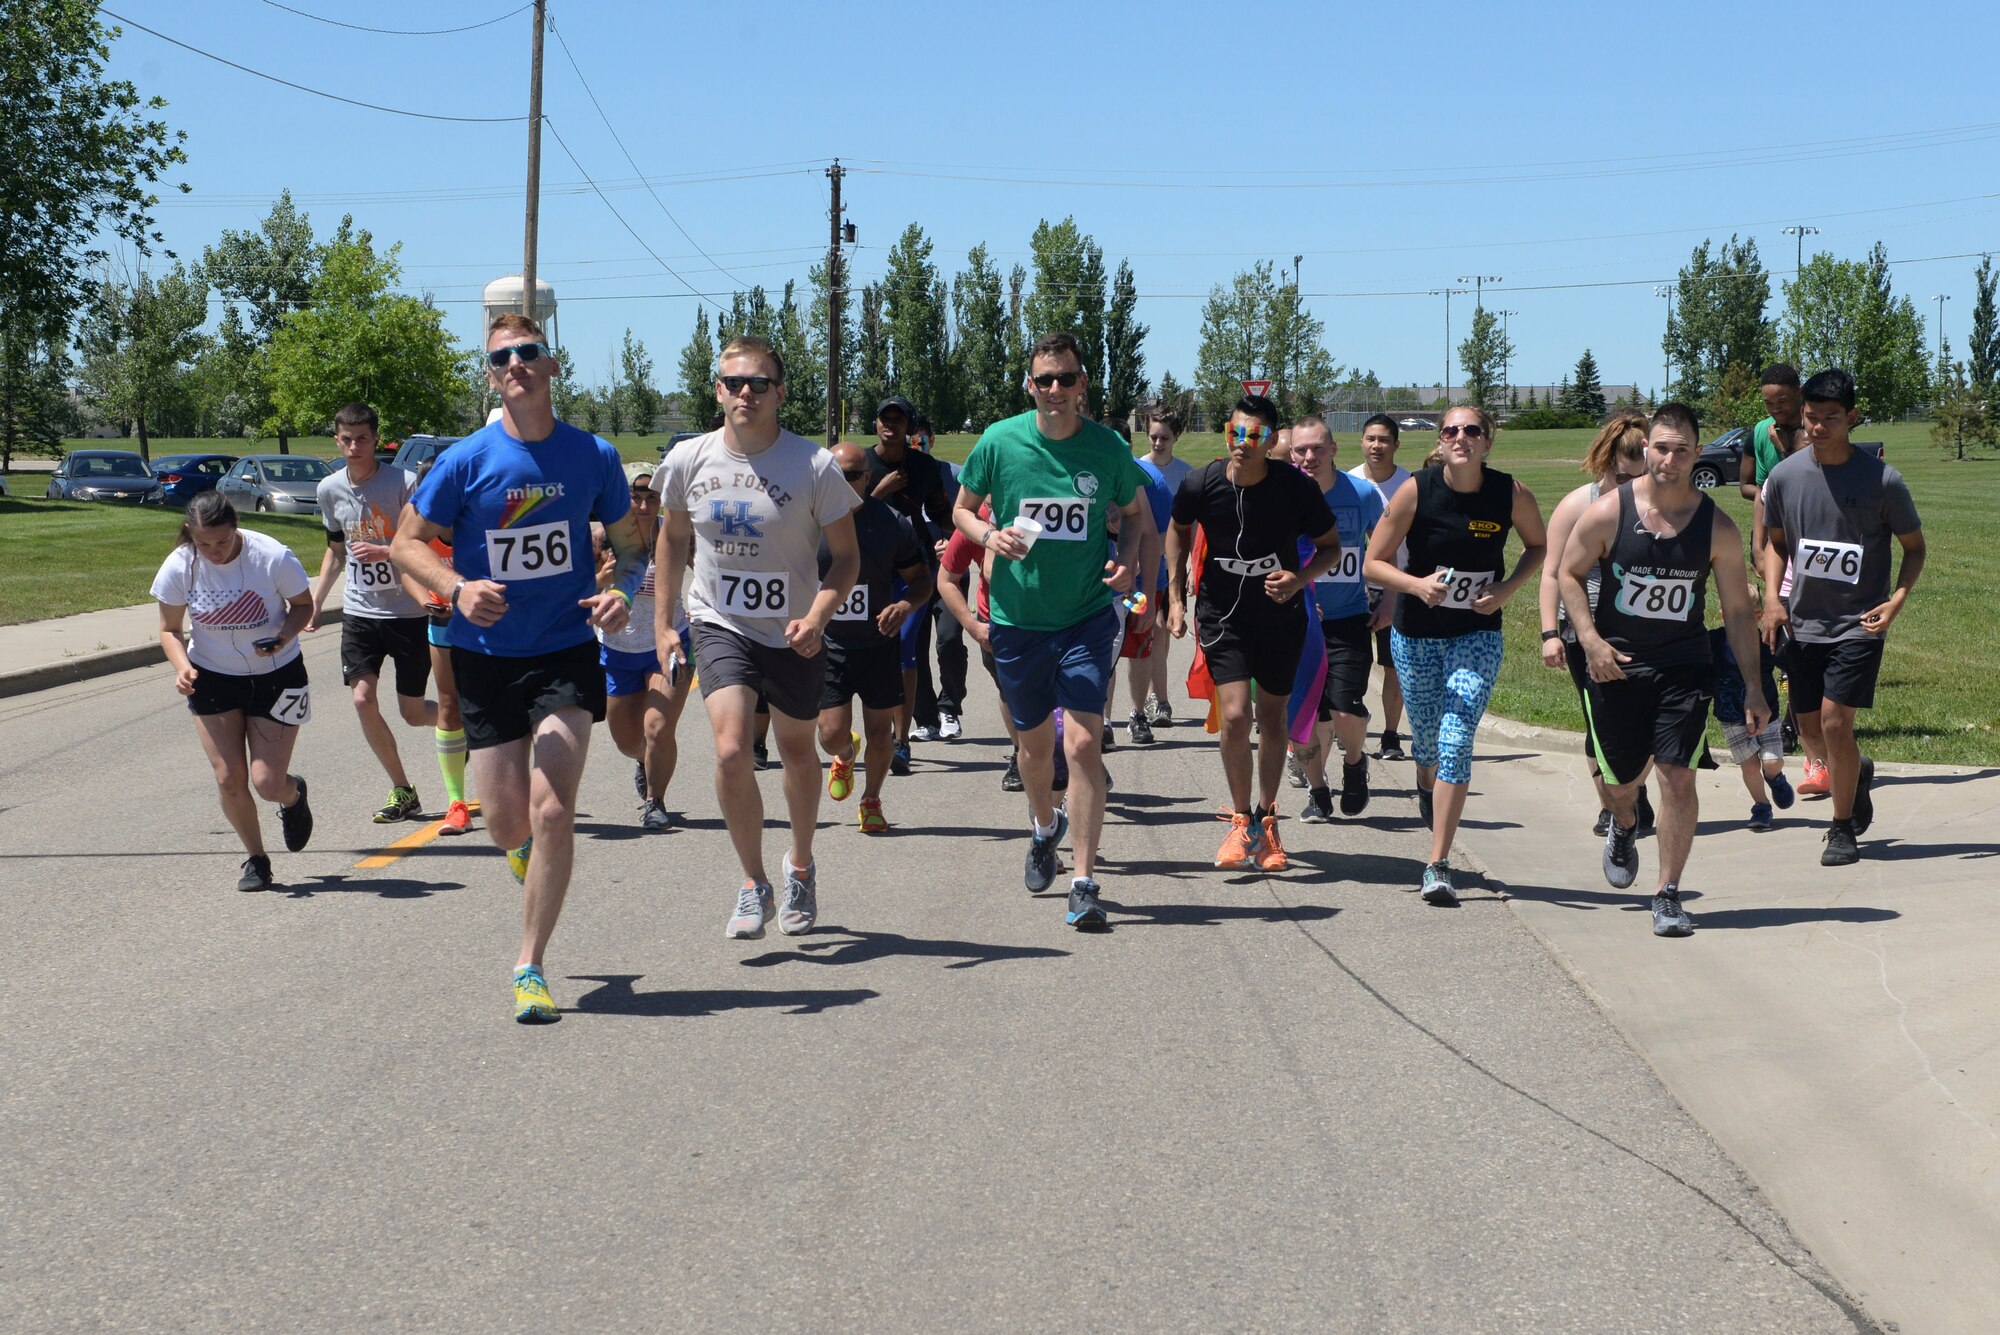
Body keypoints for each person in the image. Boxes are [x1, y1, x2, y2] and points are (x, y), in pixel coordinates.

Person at [390, 311, 647, 1024]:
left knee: (554, 807)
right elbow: (406, 542)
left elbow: (632, 549)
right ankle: (524, 853)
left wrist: (621, 594)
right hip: (485, 657)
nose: (515, 366)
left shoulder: (593, 456)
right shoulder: (466, 460)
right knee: (507, 822)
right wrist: (455, 589)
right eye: (501, 358)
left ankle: (529, 963)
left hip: (565, 650)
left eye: (528, 353)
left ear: (552, 365)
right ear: (492, 373)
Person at [654, 335, 861, 938]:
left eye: (759, 383)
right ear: (717, 389)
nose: (745, 393)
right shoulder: (688, 460)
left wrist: (819, 616)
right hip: (719, 621)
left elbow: (845, 560)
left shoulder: (813, 465)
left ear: (780, 392)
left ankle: (799, 865)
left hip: (795, 631)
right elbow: (671, 540)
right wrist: (666, 623)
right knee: (729, 747)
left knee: (799, 751)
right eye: (733, 382)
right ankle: (753, 883)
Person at [952, 331, 1148, 930]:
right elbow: (961, 508)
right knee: (1034, 750)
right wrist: (989, 536)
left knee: (1083, 744)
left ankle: (1085, 881)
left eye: (1067, 378)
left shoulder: (1107, 449)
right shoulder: (999, 442)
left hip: (1086, 616)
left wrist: (1130, 563)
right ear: (1030, 386)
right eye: (1045, 380)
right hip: (1017, 622)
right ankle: (1044, 827)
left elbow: (1137, 515)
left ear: (1083, 384)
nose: (1056, 390)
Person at [1559, 404, 1769, 937]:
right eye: (1661, 447)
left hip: (1683, 666)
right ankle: (1625, 826)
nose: (1669, 459)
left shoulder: (1715, 528)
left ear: (1697, 454)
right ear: (1646, 449)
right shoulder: (1609, 511)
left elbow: (1739, 612)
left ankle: (1668, 893)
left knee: (1678, 777)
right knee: (1620, 784)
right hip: (1615, 668)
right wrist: (1590, 641)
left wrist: (1752, 685)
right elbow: (1568, 572)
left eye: (1681, 449)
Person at [1364, 405, 1546, 905]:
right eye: (1451, 430)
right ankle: (1426, 781)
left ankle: (1437, 863)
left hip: (1477, 633)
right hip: (1417, 635)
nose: (1460, 436)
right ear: (1440, 442)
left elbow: (1538, 546)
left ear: (1487, 442)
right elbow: (1373, 563)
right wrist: (1416, 585)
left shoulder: (1509, 493)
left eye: (1471, 430)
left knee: (1456, 735)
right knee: (1426, 742)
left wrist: (1507, 589)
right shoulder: (1417, 490)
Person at [1760, 368, 1925, 866]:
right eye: (1812, 417)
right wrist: (1772, 598)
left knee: (1835, 723)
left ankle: (1841, 828)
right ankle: (1857, 771)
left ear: (1852, 418)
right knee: (1811, 733)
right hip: (1803, 622)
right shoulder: (1785, 477)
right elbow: (1777, 545)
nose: (1819, 427)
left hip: (1859, 622)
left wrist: (1896, 600)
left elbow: (1914, 549)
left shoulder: (1883, 481)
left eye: (1831, 418)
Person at [1167, 397, 1340, 869]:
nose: (1244, 444)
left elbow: (1331, 547)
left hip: (1280, 617)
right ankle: (1240, 821)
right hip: (1223, 614)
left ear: (1273, 441)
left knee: (1272, 717)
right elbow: (1177, 530)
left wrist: (1299, 579)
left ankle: (1268, 821)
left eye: (1256, 436)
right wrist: (1176, 597)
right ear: (1227, 433)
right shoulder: (1200, 482)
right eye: (1236, 433)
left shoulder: (1294, 487)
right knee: (1237, 716)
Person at [152, 491, 316, 892]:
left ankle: (292, 796)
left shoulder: (271, 556)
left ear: (236, 527)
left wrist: (282, 636)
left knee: (266, 783)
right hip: (213, 677)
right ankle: (257, 858)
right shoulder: (180, 565)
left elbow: (303, 605)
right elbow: (169, 630)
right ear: (190, 533)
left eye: (222, 541)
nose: (213, 552)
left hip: (276, 674)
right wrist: (183, 668)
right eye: (203, 543)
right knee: (228, 777)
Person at [306, 403, 437, 823]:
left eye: (362, 438)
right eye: (346, 439)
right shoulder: (329, 489)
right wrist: (315, 601)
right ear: (336, 440)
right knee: (362, 698)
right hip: (361, 611)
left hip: (408, 612)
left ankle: (468, 724)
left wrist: (387, 549)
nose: (354, 446)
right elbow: (335, 551)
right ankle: (402, 789)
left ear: (376, 439)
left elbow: (425, 545)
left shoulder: (404, 482)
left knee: (413, 713)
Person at [1537, 411, 1657, 836]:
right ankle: (1612, 804)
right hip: (1586, 632)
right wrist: (1551, 633)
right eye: (1624, 479)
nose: (1634, 487)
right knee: (1600, 721)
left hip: (1645, 631)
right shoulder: (1577, 506)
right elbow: (1552, 572)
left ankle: (1632, 790)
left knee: (1645, 722)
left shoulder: (1657, 507)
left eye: (1641, 477)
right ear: (1605, 463)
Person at [817, 441, 932, 832]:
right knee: (830, 735)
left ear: (868, 477)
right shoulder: (808, 520)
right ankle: (846, 755)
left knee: (881, 732)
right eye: (834, 475)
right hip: (829, 643)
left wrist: (905, 606)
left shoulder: (891, 523)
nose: (843, 483)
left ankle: (871, 800)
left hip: (878, 643)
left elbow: (921, 582)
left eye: (851, 475)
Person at [1285, 418, 1385, 822]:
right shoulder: (1279, 494)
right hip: (1297, 620)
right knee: (1307, 715)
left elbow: (1387, 548)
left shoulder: (1361, 493)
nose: (1309, 457)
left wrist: (1389, 600)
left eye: (1317, 449)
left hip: (1348, 618)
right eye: (1301, 450)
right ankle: (1318, 790)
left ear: (1333, 450)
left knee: (1343, 709)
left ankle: (1355, 763)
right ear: (1291, 453)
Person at [1742, 363, 1828, 793]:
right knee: (1789, 651)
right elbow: (1762, 490)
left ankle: (1818, 743)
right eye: (1768, 402)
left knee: (1813, 651)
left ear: (1798, 393)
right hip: (1782, 550)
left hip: (1817, 550)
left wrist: (1793, 444)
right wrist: (1759, 549)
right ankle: (1801, 739)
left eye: (1782, 400)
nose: (1775, 408)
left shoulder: (1815, 424)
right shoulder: (1762, 433)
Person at [594, 462, 693, 831]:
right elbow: (577, 594)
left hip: (670, 641)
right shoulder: (601, 539)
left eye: (652, 498)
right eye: (634, 497)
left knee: (658, 728)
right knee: (627, 740)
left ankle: (655, 801)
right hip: (617, 649)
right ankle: (643, 761)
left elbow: (711, 573)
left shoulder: (677, 534)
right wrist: (599, 579)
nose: (643, 506)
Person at [865, 396, 952, 767]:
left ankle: (901, 742)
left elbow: (943, 514)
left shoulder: (924, 466)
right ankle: (876, 732)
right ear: (876, 424)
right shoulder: (862, 464)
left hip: (915, 569)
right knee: (870, 650)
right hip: (869, 569)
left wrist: (963, 539)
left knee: (904, 645)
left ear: (908, 428)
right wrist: (880, 491)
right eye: (886, 418)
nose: (892, 425)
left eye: (899, 420)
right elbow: (845, 514)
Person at [937, 497, 1025, 789]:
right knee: (1010, 692)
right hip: (995, 623)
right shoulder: (974, 525)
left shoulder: (1037, 514)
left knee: (1057, 691)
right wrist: (972, 625)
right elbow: (947, 579)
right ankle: (1020, 753)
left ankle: (1076, 758)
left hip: (1047, 619)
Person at [406, 469, 474, 837]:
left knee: (492, 703)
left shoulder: (477, 525)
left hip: (485, 624)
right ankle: (457, 804)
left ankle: (516, 787)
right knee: (448, 705)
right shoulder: (418, 528)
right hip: (442, 624)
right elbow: (405, 566)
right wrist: (426, 602)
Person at [1348, 414, 1411, 760]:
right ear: (1361, 442)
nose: (1376, 445)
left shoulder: (1410, 485)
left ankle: (1390, 735)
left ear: (1396, 445)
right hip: (1355, 588)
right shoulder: (1348, 482)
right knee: (1354, 664)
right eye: (1371, 438)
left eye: (1384, 439)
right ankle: (1351, 721)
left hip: (1398, 586)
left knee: (1393, 665)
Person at [910, 411, 969, 742]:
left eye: (920, 439)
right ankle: (926, 717)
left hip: (951, 571)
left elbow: (974, 516)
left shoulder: (954, 475)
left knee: (948, 639)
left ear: (931, 441)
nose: (915, 445)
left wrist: (954, 539)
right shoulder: (898, 476)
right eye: (909, 440)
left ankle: (949, 707)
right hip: (912, 574)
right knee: (913, 647)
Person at [1135, 404, 1194, 728]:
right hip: (1138, 568)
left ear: (1176, 438)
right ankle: (1143, 700)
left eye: (1165, 439)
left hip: (1171, 568)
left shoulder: (1184, 474)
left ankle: (1161, 700)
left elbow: (1193, 525)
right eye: (1154, 437)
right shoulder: (1136, 469)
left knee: (1163, 632)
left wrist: (1191, 569)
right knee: (1140, 632)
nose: (1158, 444)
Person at [1711, 627, 1794, 830]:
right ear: (1724, 611)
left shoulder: (1763, 640)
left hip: (1766, 712)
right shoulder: (1714, 640)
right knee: (1749, 766)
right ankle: (1761, 806)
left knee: (1772, 762)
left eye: (1755, 612)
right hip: (1731, 715)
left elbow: (1787, 660)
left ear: (1757, 616)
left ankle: (1775, 777)